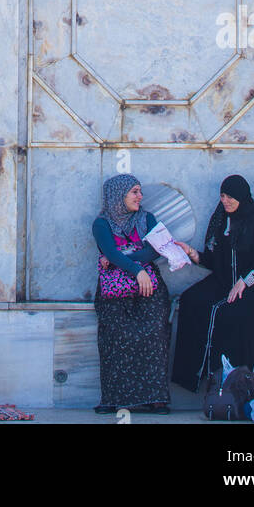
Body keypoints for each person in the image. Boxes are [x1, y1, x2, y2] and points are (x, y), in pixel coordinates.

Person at [172, 173, 254, 392]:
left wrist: (245, 281)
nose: (226, 201)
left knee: (230, 314)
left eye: (231, 196)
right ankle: (192, 375)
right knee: (191, 300)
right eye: (222, 196)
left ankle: (232, 384)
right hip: (224, 280)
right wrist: (193, 254)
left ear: (242, 196)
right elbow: (214, 260)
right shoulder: (221, 219)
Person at [92, 172, 171, 414]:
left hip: (149, 288)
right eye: (134, 192)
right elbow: (110, 252)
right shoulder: (102, 223)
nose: (140, 196)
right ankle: (113, 398)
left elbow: (158, 248)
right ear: (118, 195)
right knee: (114, 337)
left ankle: (156, 398)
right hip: (115, 290)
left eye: (140, 191)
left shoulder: (147, 219)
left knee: (155, 334)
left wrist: (124, 260)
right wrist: (136, 269)